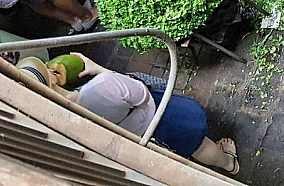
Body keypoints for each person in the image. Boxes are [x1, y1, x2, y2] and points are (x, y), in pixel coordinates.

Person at [16, 54, 239, 175]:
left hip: (138, 138)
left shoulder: (61, 120)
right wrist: (100, 70)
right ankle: (228, 163)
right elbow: (141, 94)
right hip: (159, 115)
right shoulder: (104, 84)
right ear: (54, 76)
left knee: (184, 149)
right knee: (200, 145)